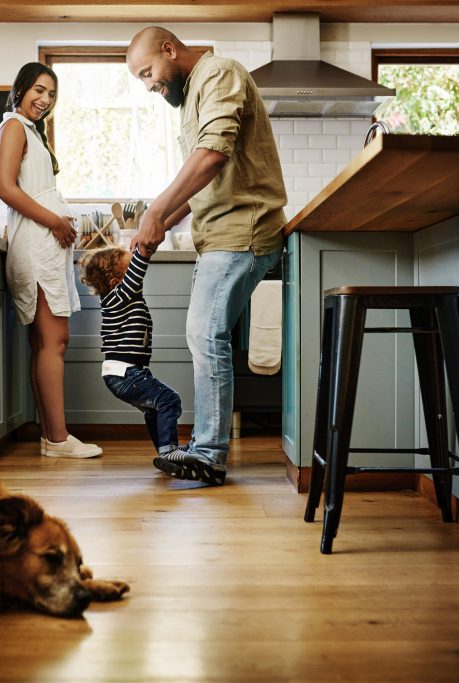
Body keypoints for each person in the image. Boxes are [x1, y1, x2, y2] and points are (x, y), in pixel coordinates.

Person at [125, 27, 287, 485]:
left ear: (170, 50)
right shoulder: (194, 91)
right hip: (218, 235)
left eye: (149, 73)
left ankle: (209, 454)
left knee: (204, 334)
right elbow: (202, 181)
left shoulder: (219, 73)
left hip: (243, 232)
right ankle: (206, 449)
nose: (150, 85)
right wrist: (157, 225)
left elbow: (213, 155)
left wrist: (157, 210)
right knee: (204, 335)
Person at [0, 62, 102, 459]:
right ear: (21, 89)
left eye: (52, 94)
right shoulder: (14, 128)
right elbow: (5, 187)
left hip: (43, 244)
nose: (44, 100)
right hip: (37, 246)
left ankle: (52, 438)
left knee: (46, 341)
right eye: (38, 90)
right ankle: (57, 439)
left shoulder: (31, 133)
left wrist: (60, 222)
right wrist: (55, 221)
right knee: (54, 341)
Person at [78, 246, 183, 457]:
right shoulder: (118, 296)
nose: (137, 276)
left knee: (154, 407)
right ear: (118, 282)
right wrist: (144, 250)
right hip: (125, 373)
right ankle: (169, 452)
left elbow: (134, 274)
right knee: (169, 400)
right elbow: (138, 272)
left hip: (127, 372)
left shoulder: (119, 298)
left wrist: (136, 248)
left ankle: (165, 453)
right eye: (130, 267)